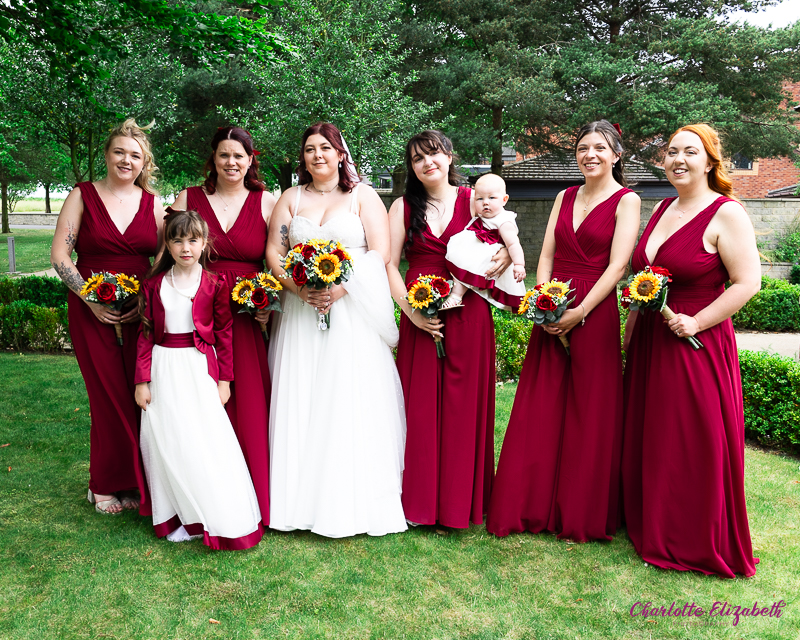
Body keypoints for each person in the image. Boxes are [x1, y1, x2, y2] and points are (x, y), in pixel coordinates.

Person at [486, 120, 640, 541]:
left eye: (599, 148)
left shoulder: (627, 200)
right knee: (543, 403)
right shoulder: (563, 195)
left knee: (590, 409)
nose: (590, 154)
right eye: (583, 148)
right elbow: (547, 255)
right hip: (553, 306)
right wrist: (546, 303)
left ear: (616, 154)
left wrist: (581, 311)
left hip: (595, 307)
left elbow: (618, 266)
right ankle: (531, 504)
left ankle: (581, 510)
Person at [621, 124, 760, 578]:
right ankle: (652, 522)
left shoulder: (728, 213)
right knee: (654, 433)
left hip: (696, 342)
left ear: (710, 161)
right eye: (671, 152)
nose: (678, 159)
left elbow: (747, 283)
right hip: (650, 342)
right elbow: (646, 279)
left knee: (691, 438)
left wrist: (697, 321)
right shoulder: (662, 207)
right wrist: (625, 338)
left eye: (690, 152)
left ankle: (691, 535)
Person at [265, 122, 407, 538]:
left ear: (341, 152)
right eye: (309, 149)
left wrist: (341, 288)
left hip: (351, 312)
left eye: (325, 147)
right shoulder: (289, 198)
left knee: (347, 397)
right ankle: (297, 503)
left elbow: (379, 252)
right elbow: (274, 251)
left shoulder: (363, 196)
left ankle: (352, 502)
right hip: (301, 311)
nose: (317, 155)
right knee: (303, 395)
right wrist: (298, 287)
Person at [387, 130, 512, 528]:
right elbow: (389, 264)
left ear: (449, 156)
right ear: (411, 167)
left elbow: (504, 228)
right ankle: (420, 504)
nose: (428, 163)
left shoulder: (472, 198)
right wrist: (411, 313)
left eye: (435, 154)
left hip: (470, 308)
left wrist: (508, 252)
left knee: (463, 408)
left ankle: (461, 503)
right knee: (420, 407)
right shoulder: (403, 208)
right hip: (421, 310)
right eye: (418, 158)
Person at [51, 118, 163, 515]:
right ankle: (104, 484)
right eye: (119, 152)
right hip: (90, 309)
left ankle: (133, 479)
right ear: (107, 155)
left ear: (144, 161)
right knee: (106, 393)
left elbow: (165, 257)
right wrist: (89, 298)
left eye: (135, 155)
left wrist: (147, 300)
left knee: (139, 392)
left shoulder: (153, 204)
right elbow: (60, 255)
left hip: (140, 311)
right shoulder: (81, 196)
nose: (126, 160)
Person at [135, 209, 263, 550]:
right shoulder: (153, 285)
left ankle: (215, 511)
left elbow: (223, 332)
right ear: (168, 244)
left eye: (193, 240)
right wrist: (142, 381)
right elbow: (146, 335)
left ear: (205, 243)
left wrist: (225, 379)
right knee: (168, 438)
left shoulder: (215, 284)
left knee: (204, 439)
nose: (185, 247)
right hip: (164, 368)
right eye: (177, 240)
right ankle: (177, 514)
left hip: (198, 368)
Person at [172, 126, 276, 528]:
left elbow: (277, 259)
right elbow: (172, 252)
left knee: (248, 404)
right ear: (212, 160)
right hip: (199, 317)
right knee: (199, 404)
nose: (231, 162)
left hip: (249, 319)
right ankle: (201, 496)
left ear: (251, 160)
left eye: (239, 155)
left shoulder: (267, 202)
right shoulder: (189, 199)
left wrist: (270, 303)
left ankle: (253, 495)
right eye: (223, 155)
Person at [443, 173, 526, 311]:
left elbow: (513, 244)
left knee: (468, 265)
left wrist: (519, 264)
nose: (485, 202)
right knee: (462, 262)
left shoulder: (504, 220)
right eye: (479, 199)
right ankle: (456, 294)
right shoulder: (481, 215)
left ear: (504, 200)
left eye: (492, 198)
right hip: (476, 248)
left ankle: (456, 296)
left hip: (489, 255)